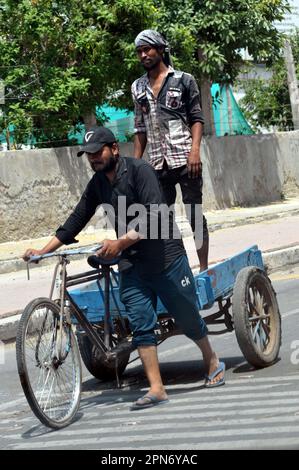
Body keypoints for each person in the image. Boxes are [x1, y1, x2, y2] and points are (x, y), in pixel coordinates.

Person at [23, 126, 225, 411]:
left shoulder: (141, 171)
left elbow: (155, 214)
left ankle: (212, 360)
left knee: (187, 316)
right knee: (141, 323)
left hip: (165, 255)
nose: (93, 158)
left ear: (114, 149)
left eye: (98, 152)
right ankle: (157, 387)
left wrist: (120, 242)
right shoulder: (97, 185)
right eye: (88, 155)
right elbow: (77, 218)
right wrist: (42, 251)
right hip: (132, 263)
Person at [132, 29, 209, 271]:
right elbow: (139, 129)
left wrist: (194, 151)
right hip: (157, 165)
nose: (144, 55)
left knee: (194, 215)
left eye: (147, 49)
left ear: (160, 50)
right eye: (140, 52)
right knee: (163, 222)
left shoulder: (184, 80)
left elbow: (197, 118)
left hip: (186, 159)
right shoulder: (137, 87)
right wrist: (135, 166)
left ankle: (204, 268)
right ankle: (180, 272)